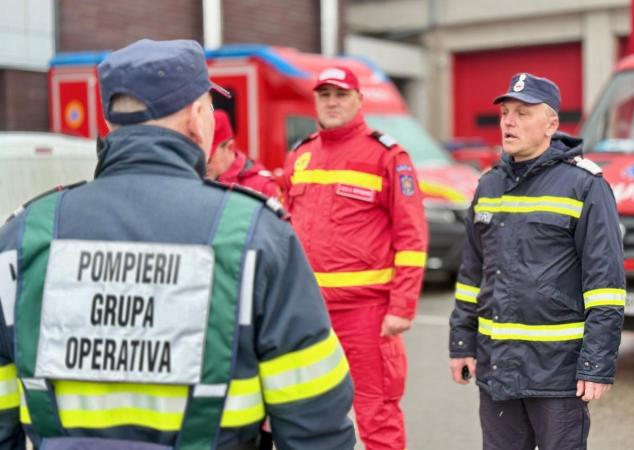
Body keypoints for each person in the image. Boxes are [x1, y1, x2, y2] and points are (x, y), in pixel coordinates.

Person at [0, 38, 355, 450]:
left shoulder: (24, 236)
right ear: (197, 117)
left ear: (111, 124)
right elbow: (313, 417)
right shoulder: (255, 235)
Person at [448, 73, 625, 450]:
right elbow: (471, 274)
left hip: (557, 373)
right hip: (497, 368)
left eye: (523, 113)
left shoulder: (585, 185)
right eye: (505, 113)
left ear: (551, 124)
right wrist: (462, 342)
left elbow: (606, 285)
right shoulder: (489, 185)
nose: (509, 122)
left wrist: (596, 364)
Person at [282, 66, 428, 450]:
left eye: (341, 94)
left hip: (367, 313)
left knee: (376, 414)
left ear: (359, 100)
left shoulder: (386, 155)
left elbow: (411, 236)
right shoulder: (300, 155)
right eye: (324, 94)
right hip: (307, 312)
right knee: (306, 412)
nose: (331, 102)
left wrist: (402, 306)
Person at [207, 109, 283, 201]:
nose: (203, 164)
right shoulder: (197, 182)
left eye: (209, 159)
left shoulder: (264, 187)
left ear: (230, 147)